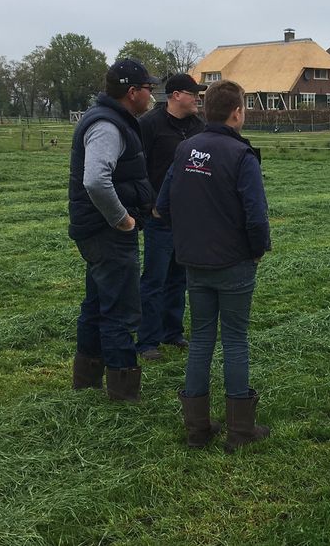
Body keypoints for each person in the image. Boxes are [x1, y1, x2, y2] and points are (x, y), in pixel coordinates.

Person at [155, 79, 272, 451]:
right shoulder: (242, 155)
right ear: (237, 112)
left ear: (207, 111)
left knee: (202, 337)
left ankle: (198, 427)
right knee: (235, 338)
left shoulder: (186, 149)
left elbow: (164, 203)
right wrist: (258, 249)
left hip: (194, 260)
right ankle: (240, 429)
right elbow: (256, 215)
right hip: (233, 261)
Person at [67, 59, 159, 402]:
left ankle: (87, 379)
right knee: (120, 310)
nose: (151, 95)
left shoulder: (112, 120)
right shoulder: (108, 125)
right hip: (108, 233)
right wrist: (123, 220)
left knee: (96, 303)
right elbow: (95, 180)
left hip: (95, 230)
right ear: (132, 92)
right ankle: (123, 391)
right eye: (148, 89)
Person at [136, 73, 208, 361]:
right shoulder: (149, 125)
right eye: (193, 93)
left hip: (189, 217)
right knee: (154, 278)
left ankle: (172, 332)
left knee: (180, 277)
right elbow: (136, 167)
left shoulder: (199, 127)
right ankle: (147, 341)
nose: (198, 98)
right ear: (176, 95)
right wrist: (150, 203)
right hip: (159, 217)